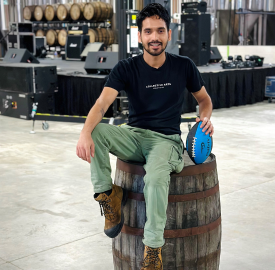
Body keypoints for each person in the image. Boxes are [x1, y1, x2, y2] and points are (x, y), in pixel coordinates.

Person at [76, 3, 214, 269]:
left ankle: (152, 251)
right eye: (148, 31)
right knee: (97, 131)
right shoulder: (126, 68)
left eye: (160, 31)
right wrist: (85, 133)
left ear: (169, 34)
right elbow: (102, 105)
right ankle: (109, 196)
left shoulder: (183, 66)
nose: (154, 37)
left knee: (155, 179)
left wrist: (204, 118)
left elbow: (204, 100)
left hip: (166, 141)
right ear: (139, 36)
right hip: (135, 135)